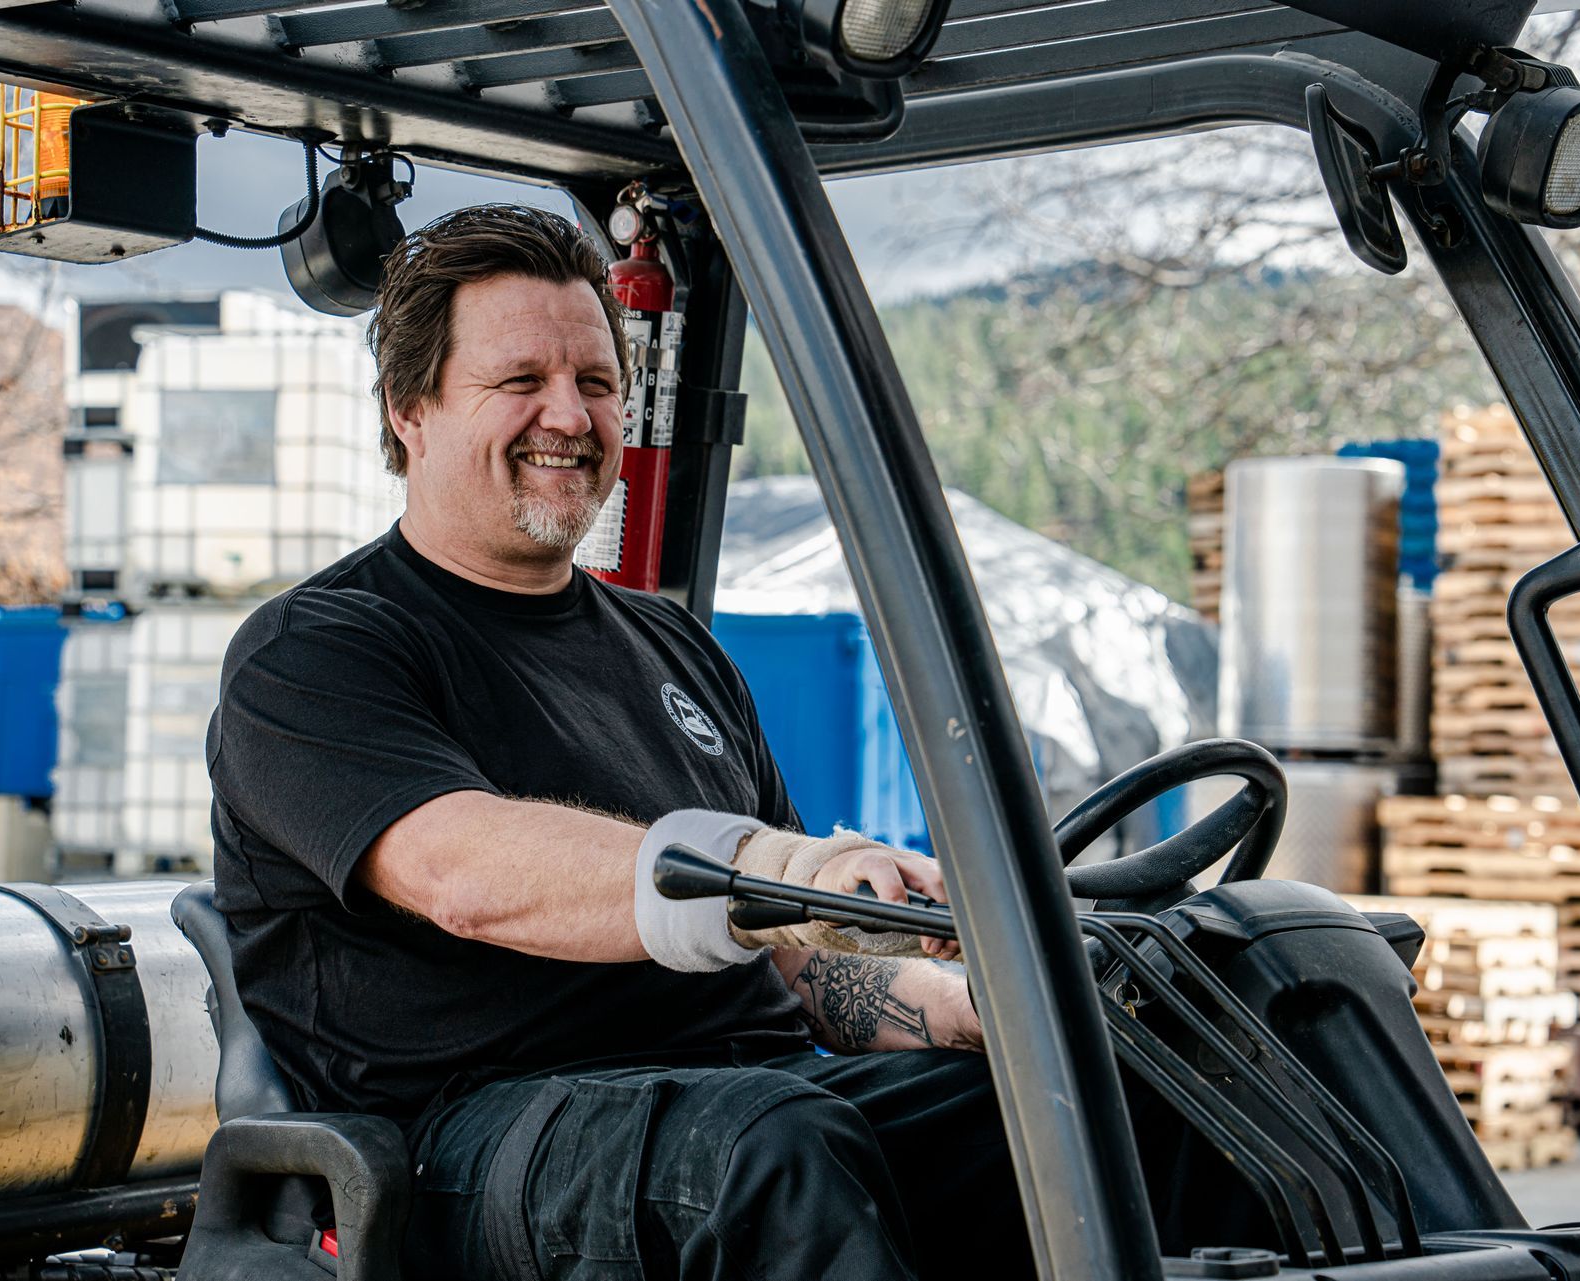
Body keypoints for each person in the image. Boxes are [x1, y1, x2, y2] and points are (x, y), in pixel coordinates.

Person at [206, 204, 1034, 1280]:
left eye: (596, 382)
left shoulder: (672, 646)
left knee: (1067, 1109)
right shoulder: (316, 653)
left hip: (746, 1098)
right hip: (473, 1145)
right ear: (410, 409)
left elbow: (798, 957)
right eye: (521, 381)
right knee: (770, 1152)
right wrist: (780, 869)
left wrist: (984, 1011)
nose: (571, 415)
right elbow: (464, 874)